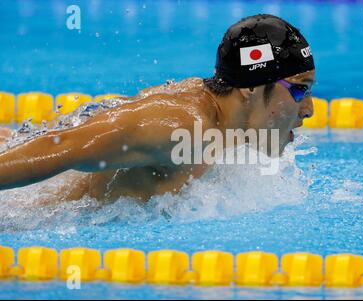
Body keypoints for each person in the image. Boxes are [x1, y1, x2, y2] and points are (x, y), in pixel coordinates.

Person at [0, 14, 315, 203]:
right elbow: (66, 144)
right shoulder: (183, 126)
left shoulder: (223, 125)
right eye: (300, 89)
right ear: (250, 87)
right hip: (33, 210)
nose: (309, 109)